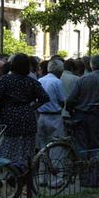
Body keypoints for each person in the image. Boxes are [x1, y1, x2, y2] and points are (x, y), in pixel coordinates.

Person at [0, 54, 49, 165]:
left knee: (9, 146)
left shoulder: (5, 80)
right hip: (27, 117)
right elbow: (45, 97)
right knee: (26, 148)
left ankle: (10, 171)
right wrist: (31, 107)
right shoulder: (30, 81)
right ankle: (24, 172)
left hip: (9, 117)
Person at [67, 55, 99, 150]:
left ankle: (82, 163)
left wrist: (71, 111)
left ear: (91, 65)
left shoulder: (82, 80)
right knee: (96, 149)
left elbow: (71, 100)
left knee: (81, 147)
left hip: (80, 118)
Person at [37, 59, 66, 188]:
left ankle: (42, 177)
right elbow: (62, 100)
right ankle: (55, 180)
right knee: (56, 148)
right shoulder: (57, 82)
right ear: (60, 71)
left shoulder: (40, 80)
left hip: (41, 116)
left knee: (43, 148)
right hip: (54, 117)